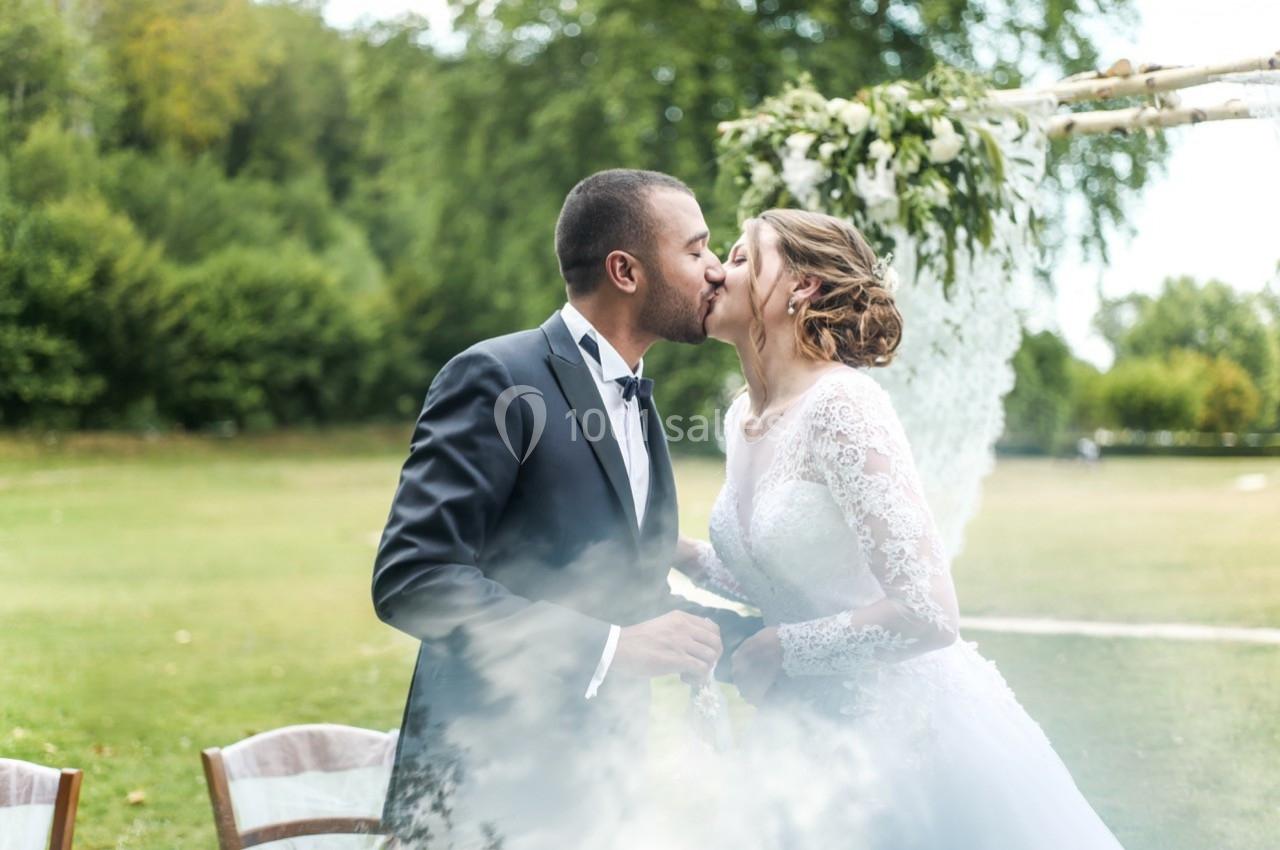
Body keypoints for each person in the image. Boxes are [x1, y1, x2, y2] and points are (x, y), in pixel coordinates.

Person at [676, 208, 1127, 849]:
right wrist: (683, 554)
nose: (718, 272)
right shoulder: (740, 416)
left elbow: (928, 610)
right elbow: (795, 579)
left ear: (802, 287)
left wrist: (784, 649)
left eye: (743, 257)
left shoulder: (844, 407)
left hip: (903, 743)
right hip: (800, 740)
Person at [371, 169, 763, 849]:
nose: (712, 272)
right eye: (696, 251)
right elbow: (415, 579)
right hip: (484, 787)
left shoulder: (637, 396)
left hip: (599, 788)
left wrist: (778, 646)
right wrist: (607, 648)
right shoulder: (497, 377)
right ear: (626, 271)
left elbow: (628, 596)